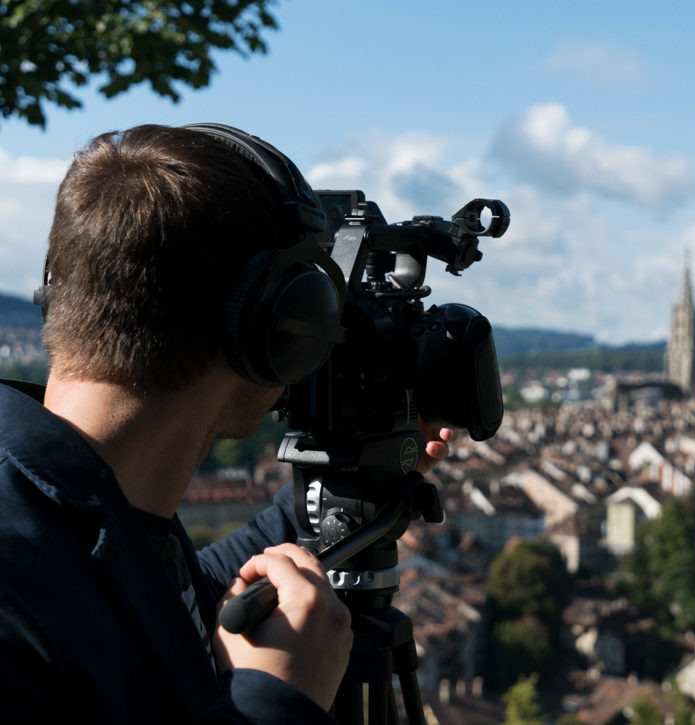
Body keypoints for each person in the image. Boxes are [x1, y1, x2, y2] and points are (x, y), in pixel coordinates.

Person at [0, 124, 456, 722]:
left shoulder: (80, 513)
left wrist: (346, 483)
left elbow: (157, 606)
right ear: (280, 328)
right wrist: (274, 703)